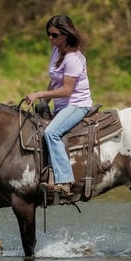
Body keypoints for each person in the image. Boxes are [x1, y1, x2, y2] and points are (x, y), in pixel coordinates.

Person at [25, 15, 92, 199]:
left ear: (66, 34)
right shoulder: (56, 51)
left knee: (51, 133)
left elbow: (67, 90)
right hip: (61, 106)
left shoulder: (73, 58)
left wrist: (39, 94)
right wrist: (44, 102)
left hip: (77, 105)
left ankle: (64, 180)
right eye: (48, 34)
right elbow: (55, 81)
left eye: (54, 35)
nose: (50, 38)